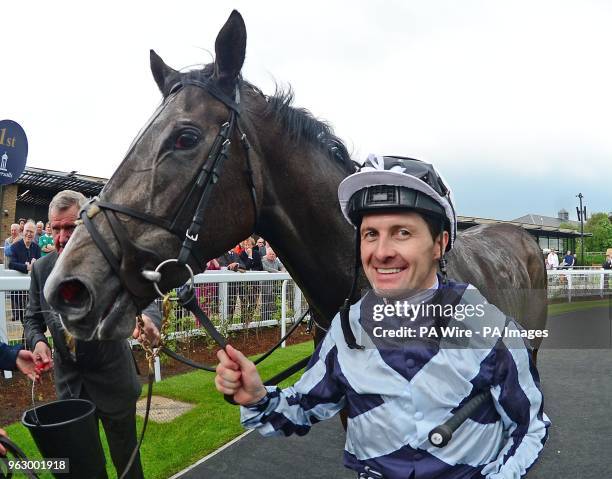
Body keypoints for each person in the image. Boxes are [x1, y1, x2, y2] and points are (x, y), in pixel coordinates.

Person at [215, 155, 549, 478]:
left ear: (439, 244)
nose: (381, 251)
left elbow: (530, 428)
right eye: (370, 234)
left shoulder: (492, 329)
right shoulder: (346, 329)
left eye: (402, 232)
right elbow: (301, 408)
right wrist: (257, 396)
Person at [24, 190, 161, 479]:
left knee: (127, 464)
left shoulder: (112, 259)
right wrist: (37, 342)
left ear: (87, 224)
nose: (61, 237)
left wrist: (147, 319)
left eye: (69, 227)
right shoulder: (41, 268)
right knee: (84, 468)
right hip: (70, 388)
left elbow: (148, 296)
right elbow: (32, 319)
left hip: (113, 380)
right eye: (55, 228)